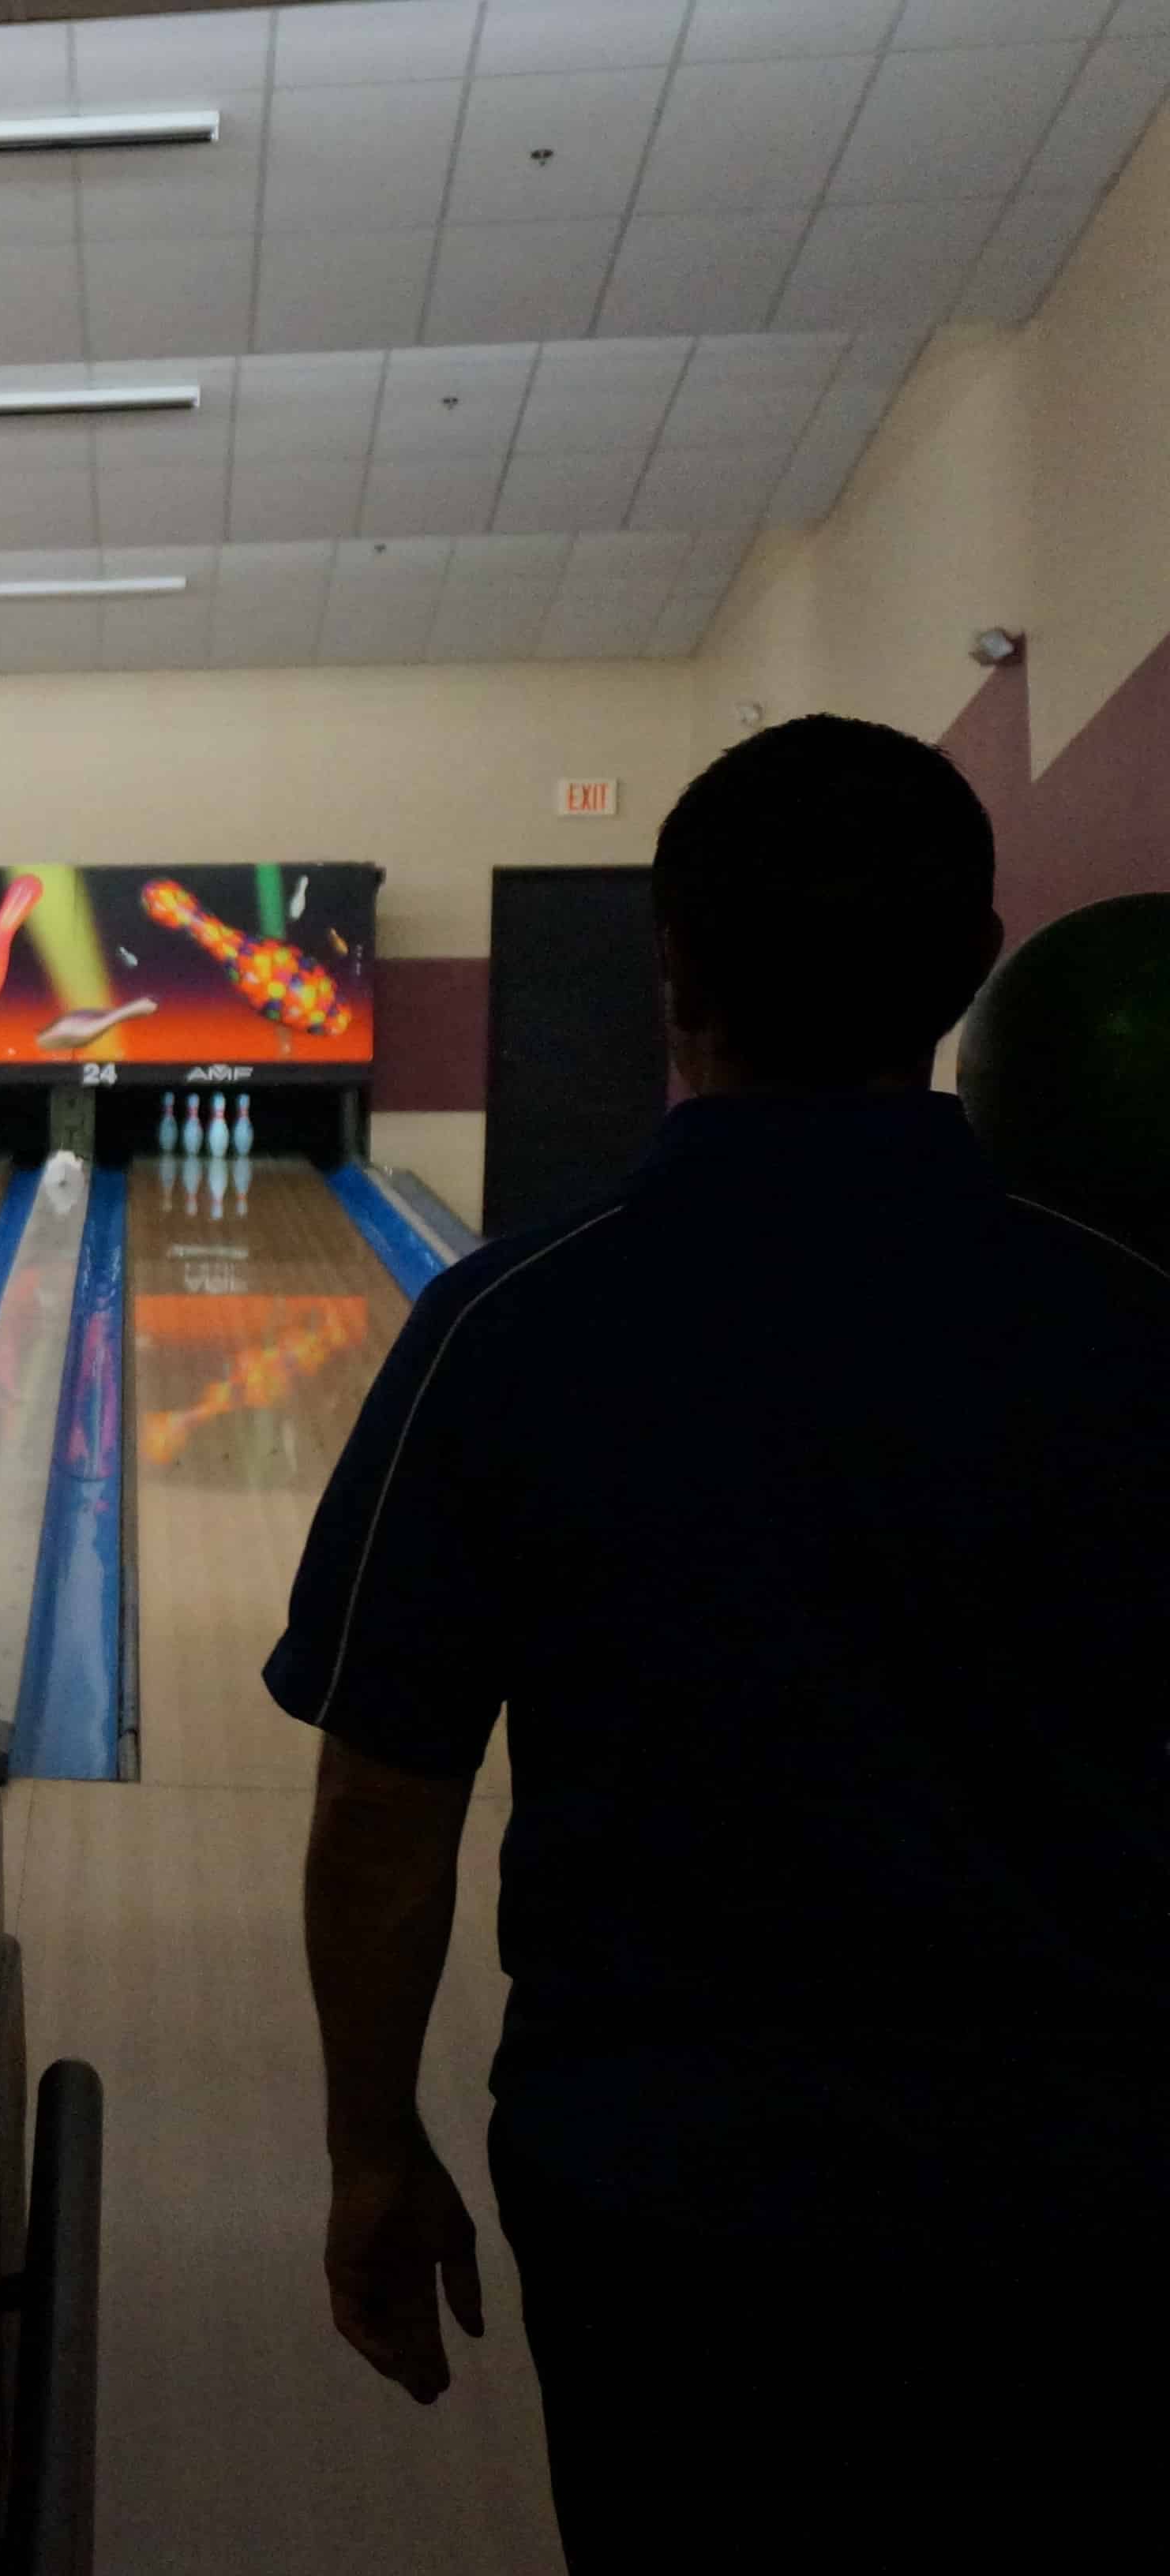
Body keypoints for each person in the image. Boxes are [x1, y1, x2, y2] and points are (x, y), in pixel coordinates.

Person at [273, 714, 1170, 2564]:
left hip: (663, 2184)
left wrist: (368, 2136)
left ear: (665, 960)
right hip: (1079, 2176)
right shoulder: (1124, 1321)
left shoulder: (504, 1326)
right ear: (966, 966)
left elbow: (378, 1801)